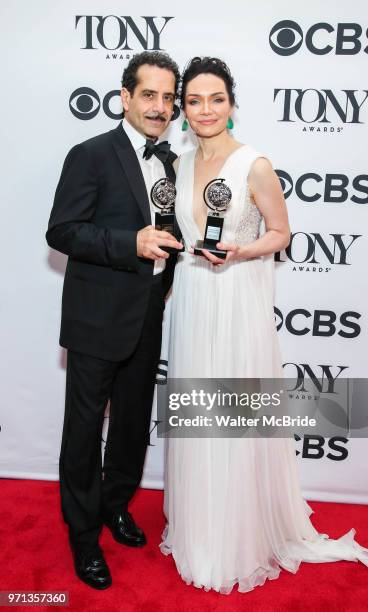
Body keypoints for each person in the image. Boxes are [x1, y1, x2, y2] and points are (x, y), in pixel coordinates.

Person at [159, 57, 368, 593]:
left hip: (237, 297)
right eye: (193, 101)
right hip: (196, 297)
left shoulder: (254, 164)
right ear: (183, 109)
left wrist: (242, 252)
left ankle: (236, 535)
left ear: (232, 104)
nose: (205, 110)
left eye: (215, 99)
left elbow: (281, 233)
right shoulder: (177, 163)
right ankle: (200, 527)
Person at [46, 51, 183, 590]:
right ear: (125, 96)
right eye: (148, 95)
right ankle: (83, 538)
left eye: (168, 97)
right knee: (84, 431)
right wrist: (133, 243)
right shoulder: (91, 154)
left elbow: (168, 229)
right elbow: (62, 231)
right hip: (96, 317)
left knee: (129, 425)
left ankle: (115, 504)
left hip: (147, 314)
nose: (160, 107)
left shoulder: (171, 161)